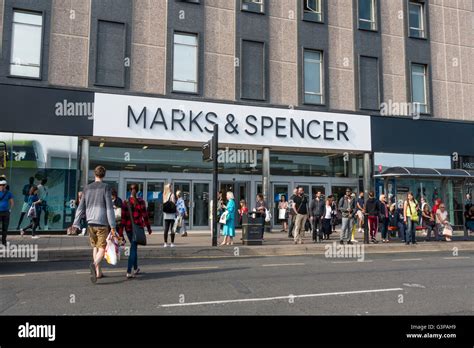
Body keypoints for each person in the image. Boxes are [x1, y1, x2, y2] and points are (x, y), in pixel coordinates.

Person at [72, 166, 117, 284]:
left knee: (95, 247)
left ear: (94, 174)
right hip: (102, 222)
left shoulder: (87, 188)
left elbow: (81, 207)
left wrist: (76, 223)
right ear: (104, 175)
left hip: (90, 222)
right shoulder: (106, 187)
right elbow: (109, 208)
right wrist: (112, 226)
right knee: (102, 248)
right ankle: (94, 264)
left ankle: (98, 272)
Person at [120, 183, 152, 279]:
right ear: (138, 191)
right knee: (133, 248)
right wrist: (149, 228)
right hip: (138, 228)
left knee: (134, 247)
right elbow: (145, 217)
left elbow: (123, 219)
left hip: (129, 229)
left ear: (129, 190)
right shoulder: (141, 202)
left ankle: (136, 268)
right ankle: (129, 271)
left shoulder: (125, 202)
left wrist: (121, 234)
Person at [0, 179, 14, 246]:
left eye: (3, 185)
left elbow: (12, 202)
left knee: (5, 228)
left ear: (5, 185)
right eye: (0, 185)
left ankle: (4, 241)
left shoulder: (8, 193)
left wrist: (10, 210)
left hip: (6, 212)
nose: (1, 186)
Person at [163, 183, 177, 247]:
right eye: (170, 187)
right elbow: (173, 204)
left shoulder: (164, 194)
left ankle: (165, 243)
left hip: (166, 214)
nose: (171, 188)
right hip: (172, 214)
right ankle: (172, 243)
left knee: (166, 229)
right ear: (169, 188)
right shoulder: (172, 195)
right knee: (172, 229)